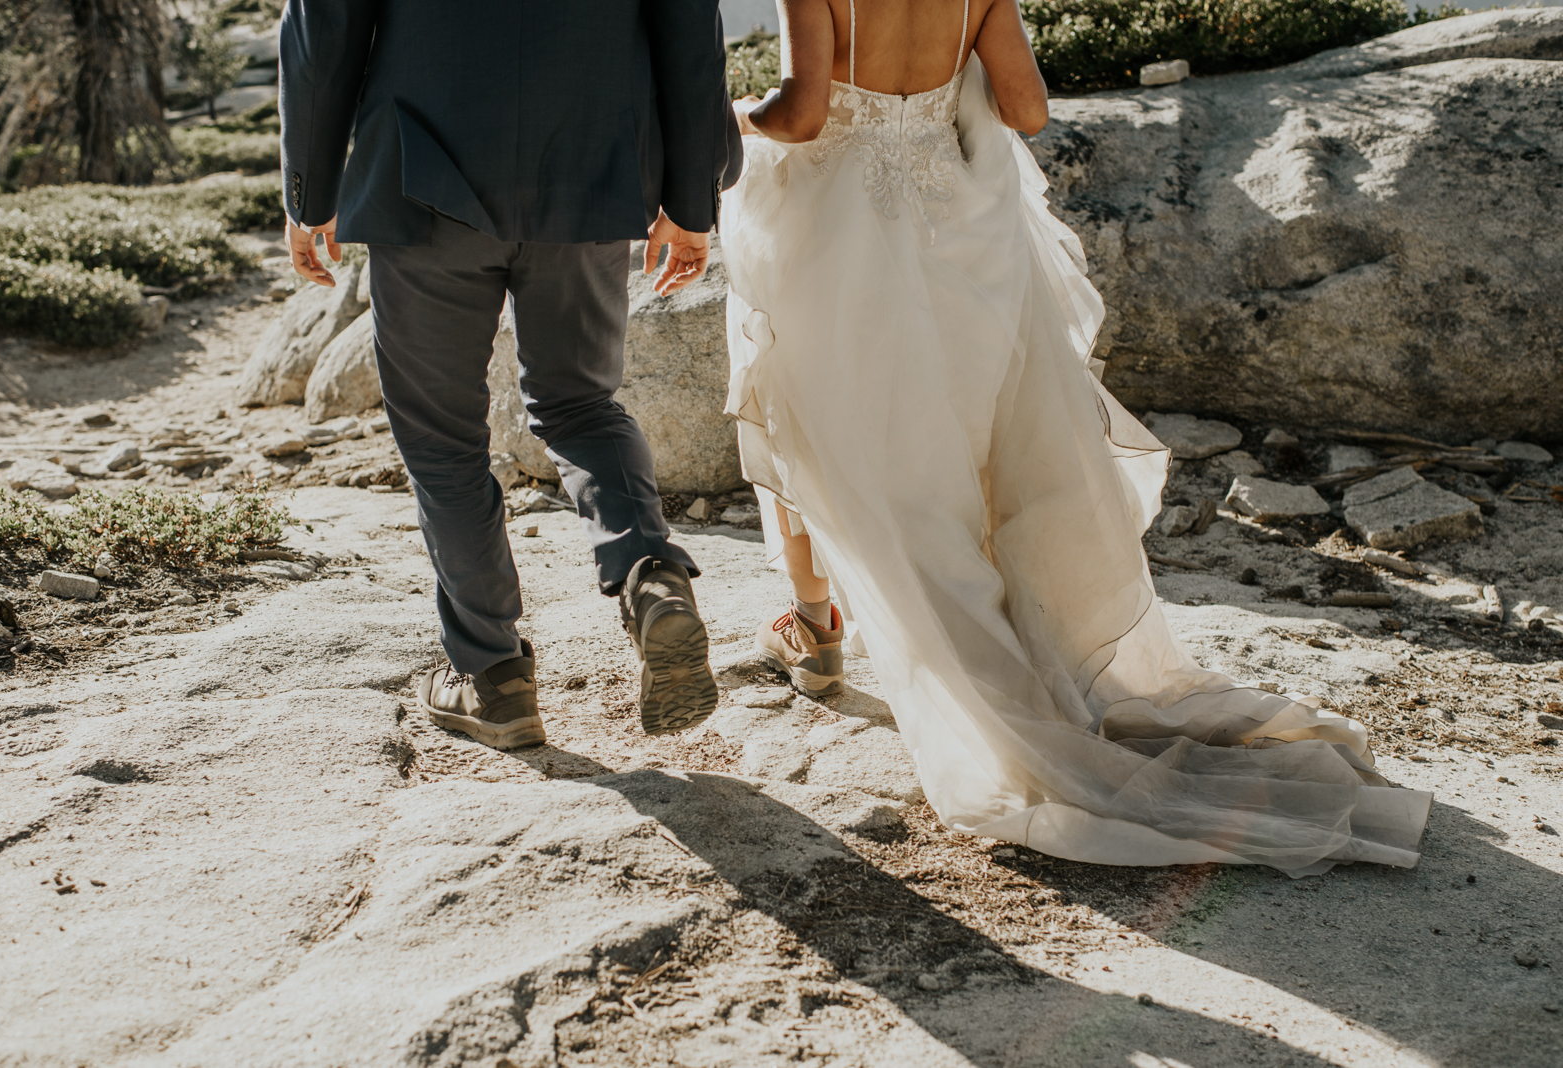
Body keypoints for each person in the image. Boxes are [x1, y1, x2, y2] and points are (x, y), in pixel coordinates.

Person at [721, 0, 1431, 877]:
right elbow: (1025, 111)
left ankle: (816, 623)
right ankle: (898, 628)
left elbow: (802, 114)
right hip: (957, 233)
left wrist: (730, 115)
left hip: (837, 230)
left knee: (815, 414)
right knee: (958, 440)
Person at [279, 1, 743, 748]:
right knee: (581, 404)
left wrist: (310, 194)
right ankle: (651, 573)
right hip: (590, 167)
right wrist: (691, 199)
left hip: (420, 173)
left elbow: (324, 27)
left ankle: (491, 677)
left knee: (441, 440)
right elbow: (689, 25)